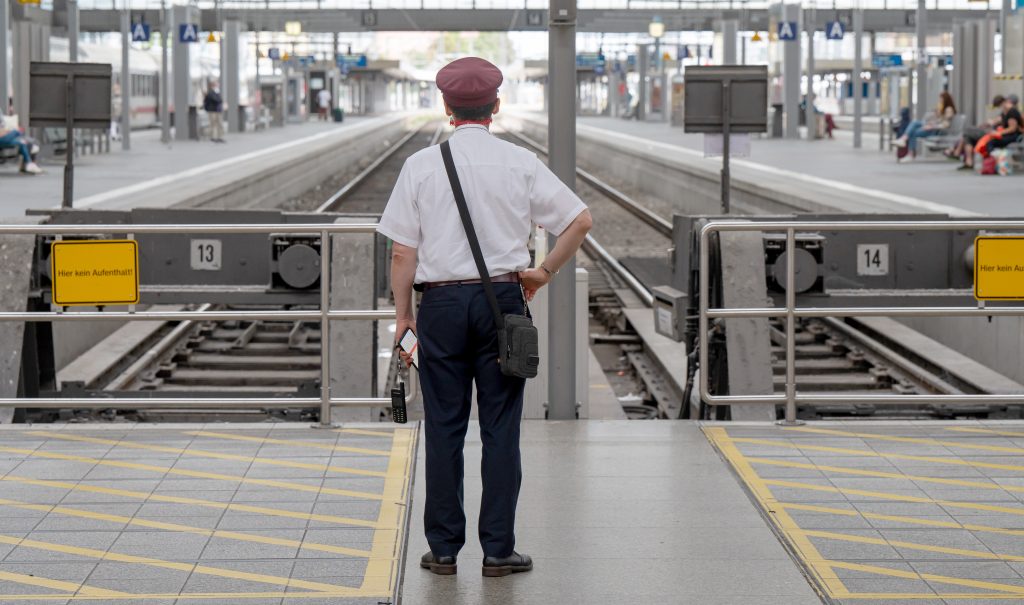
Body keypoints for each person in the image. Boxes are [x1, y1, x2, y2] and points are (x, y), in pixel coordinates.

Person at [377, 57, 593, 578]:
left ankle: (444, 550)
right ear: (495, 107)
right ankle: (498, 551)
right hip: (503, 303)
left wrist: (404, 315)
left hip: (443, 306)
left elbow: (403, 254)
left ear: (447, 108)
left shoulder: (421, 166)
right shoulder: (518, 162)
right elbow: (579, 219)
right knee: (501, 428)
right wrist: (542, 272)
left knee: (445, 427)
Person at [960, 94, 1021, 171]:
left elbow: (1012, 128)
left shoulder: (1012, 112)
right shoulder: (1005, 112)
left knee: (988, 142)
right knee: (968, 137)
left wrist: (998, 133)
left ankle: (991, 164)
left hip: (1010, 136)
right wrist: (987, 125)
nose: (1000, 108)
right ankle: (972, 162)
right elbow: (996, 121)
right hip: (1002, 134)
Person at [894, 92, 957, 161]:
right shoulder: (942, 108)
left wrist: (932, 126)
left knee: (913, 131)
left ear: (946, 99)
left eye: (941, 99)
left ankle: (907, 146)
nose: (940, 100)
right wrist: (935, 117)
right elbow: (938, 120)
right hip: (933, 127)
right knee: (914, 123)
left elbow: (945, 124)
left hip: (936, 131)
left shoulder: (949, 109)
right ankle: (905, 141)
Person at [945, 94, 1005, 161]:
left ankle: (957, 152)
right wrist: (985, 124)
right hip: (990, 132)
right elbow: (994, 121)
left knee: (966, 131)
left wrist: (991, 122)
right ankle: (968, 161)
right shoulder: (1004, 112)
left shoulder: (1008, 112)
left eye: (998, 106)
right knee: (967, 137)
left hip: (992, 134)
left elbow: (996, 122)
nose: (998, 108)